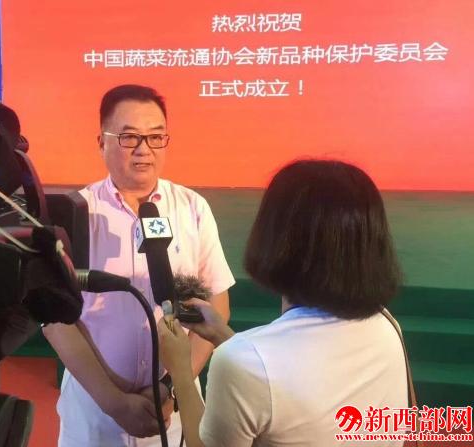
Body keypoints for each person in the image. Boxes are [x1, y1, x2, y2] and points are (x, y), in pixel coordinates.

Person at [158, 159, 408, 447]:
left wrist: (180, 371)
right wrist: (221, 335)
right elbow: (288, 382)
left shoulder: (240, 363)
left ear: (277, 240)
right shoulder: (387, 325)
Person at [43, 84, 235, 446]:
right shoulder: (73, 213)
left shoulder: (192, 208)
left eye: (156, 137)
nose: (144, 149)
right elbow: (55, 320)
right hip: (94, 413)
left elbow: (216, 305)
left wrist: (171, 387)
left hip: (173, 411)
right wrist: (114, 402)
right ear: (101, 142)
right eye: (129, 137)